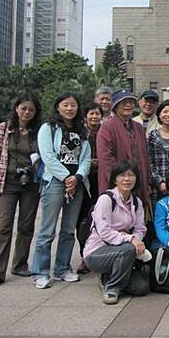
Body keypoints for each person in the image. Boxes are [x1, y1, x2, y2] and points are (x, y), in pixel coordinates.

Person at [31, 92, 91, 289]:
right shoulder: (48, 128)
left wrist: (77, 177)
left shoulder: (82, 130)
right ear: (58, 107)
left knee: (68, 230)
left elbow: (86, 158)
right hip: (55, 183)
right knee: (47, 230)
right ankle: (40, 272)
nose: (69, 108)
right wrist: (66, 177)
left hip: (77, 183)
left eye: (73, 105)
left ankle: (62, 268)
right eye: (65, 105)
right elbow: (48, 156)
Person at [0, 92, 43, 289]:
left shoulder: (38, 131)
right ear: (16, 108)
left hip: (31, 184)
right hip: (7, 182)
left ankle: (20, 265)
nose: (27, 112)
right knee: (3, 227)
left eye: (31, 110)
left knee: (26, 226)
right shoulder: (4, 128)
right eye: (23, 108)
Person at [83, 160, 147, 304]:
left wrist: (136, 239)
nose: (126, 179)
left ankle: (110, 276)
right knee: (128, 250)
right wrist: (130, 239)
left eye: (131, 175)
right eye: (122, 175)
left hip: (122, 250)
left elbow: (140, 228)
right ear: (114, 179)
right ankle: (112, 288)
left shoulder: (136, 202)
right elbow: (104, 232)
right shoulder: (106, 199)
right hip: (97, 251)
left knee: (141, 288)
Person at [97, 88, 151, 204]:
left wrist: (146, 182)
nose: (128, 105)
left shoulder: (138, 127)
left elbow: (145, 157)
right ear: (115, 106)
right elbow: (106, 159)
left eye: (131, 102)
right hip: (118, 185)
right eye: (124, 102)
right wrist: (119, 181)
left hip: (138, 183)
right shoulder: (107, 127)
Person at [75, 102, 103, 274]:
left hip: (101, 179)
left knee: (100, 218)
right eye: (91, 113)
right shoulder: (80, 132)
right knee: (82, 219)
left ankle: (99, 254)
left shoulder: (105, 130)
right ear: (85, 116)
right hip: (83, 180)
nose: (94, 117)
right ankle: (84, 255)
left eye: (97, 114)